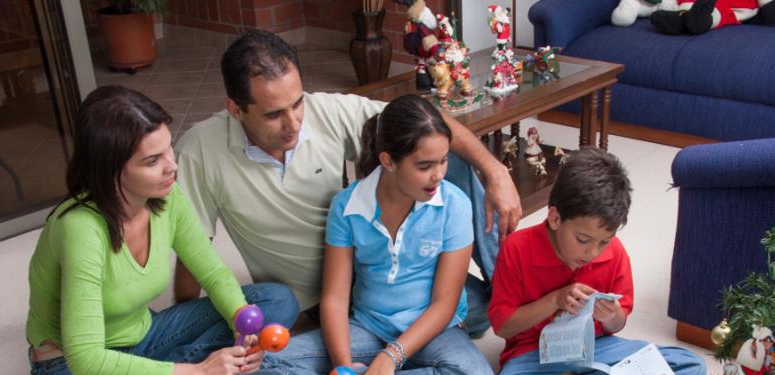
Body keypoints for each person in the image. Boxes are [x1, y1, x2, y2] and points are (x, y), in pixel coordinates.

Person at [174, 29, 520, 335]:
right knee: (464, 316)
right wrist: (183, 320)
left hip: (377, 265)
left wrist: (495, 171)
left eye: (297, 104)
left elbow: (423, 123)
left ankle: (508, 288)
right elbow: (193, 248)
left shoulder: (326, 111)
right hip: (315, 297)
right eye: (274, 114)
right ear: (235, 109)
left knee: (442, 156)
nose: (293, 123)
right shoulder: (199, 150)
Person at [26, 86, 298, 375]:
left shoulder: (166, 196)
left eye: (168, 148)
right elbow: (86, 361)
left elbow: (215, 274)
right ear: (110, 170)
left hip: (145, 336)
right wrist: (197, 373)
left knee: (276, 302)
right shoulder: (79, 228)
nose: (172, 165)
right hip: (68, 368)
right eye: (152, 160)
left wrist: (240, 321)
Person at [232, 95, 497, 375]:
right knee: (251, 368)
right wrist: (343, 371)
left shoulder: (453, 205)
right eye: (424, 165)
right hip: (369, 328)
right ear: (387, 161)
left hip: (433, 330)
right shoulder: (347, 206)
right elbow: (335, 300)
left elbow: (445, 304)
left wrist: (388, 361)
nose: (438, 175)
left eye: (443, 161)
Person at [481, 148, 705, 375]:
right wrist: (554, 301)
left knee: (692, 366)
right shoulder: (516, 250)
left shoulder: (615, 254)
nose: (592, 253)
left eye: (603, 242)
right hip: (533, 356)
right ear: (555, 216)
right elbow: (503, 328)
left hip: (597, 350)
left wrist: (610, 316)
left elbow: (619, 322)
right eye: (583, 240)